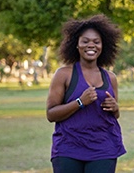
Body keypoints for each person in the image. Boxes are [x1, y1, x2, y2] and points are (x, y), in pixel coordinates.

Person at [46, 14, 126, 173]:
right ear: (76, 44)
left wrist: (115, 108)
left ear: (103, 46)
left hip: (103, 148)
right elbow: (51, 114)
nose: (91, 45)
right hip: (68, 148)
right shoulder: (64, 74)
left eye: (96, 42)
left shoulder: (110, 78)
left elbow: (114, 115)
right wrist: (80, 102)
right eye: (85, 41)